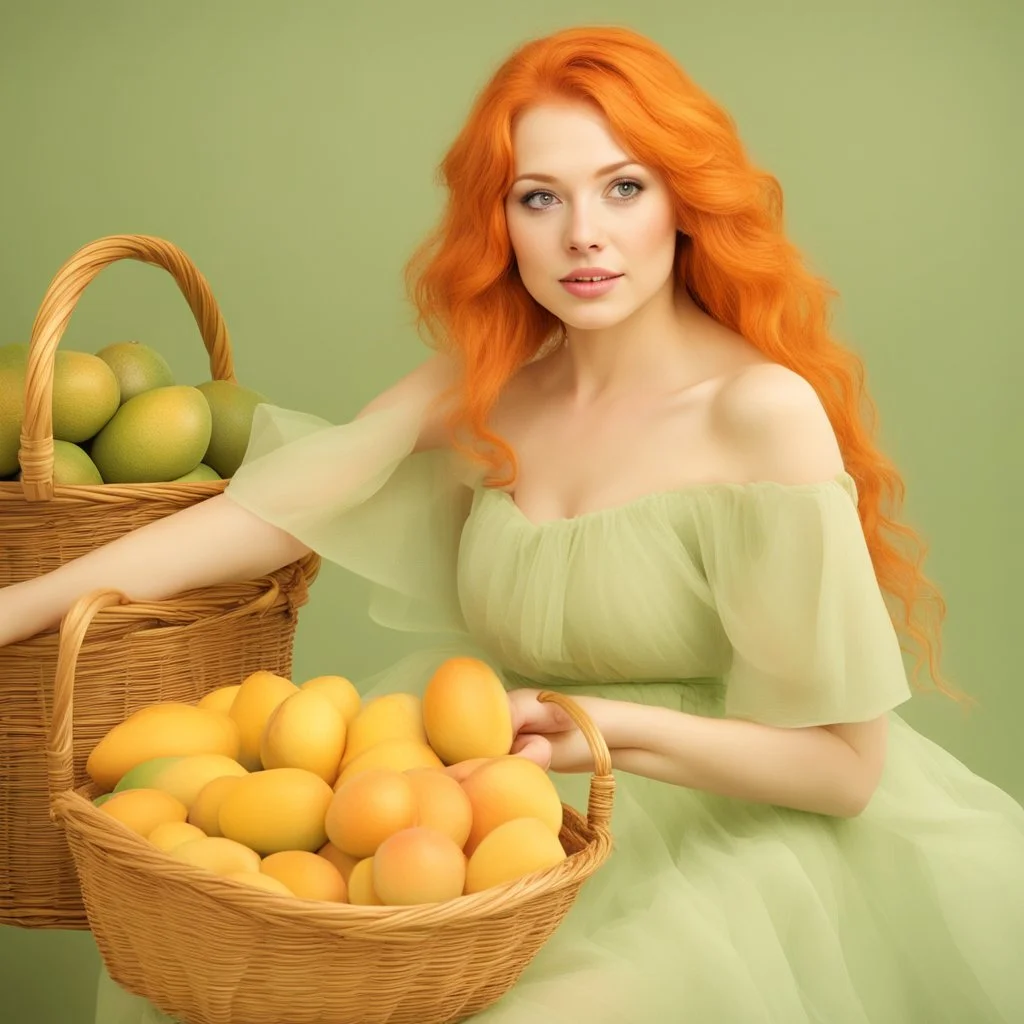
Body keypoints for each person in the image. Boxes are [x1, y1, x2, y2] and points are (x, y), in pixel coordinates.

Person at [3, 23, 1023, 1024]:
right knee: (234, 957)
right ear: (502, 226)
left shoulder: (756, 412)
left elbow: (845, 771)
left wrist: (604, 731)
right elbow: (267, 513)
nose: (584, 233)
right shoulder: (487, 388)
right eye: (540, 198)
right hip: (492, 795)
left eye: (623, 187)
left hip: (719, 825)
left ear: (683, 204)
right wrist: (23, 607)